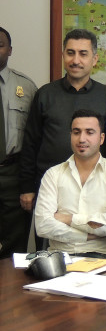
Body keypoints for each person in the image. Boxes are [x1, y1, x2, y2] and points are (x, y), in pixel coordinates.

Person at [20, 29, 106, 214]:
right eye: (70, 53)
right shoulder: (45, 94)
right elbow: (31, 143)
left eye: (83, 54)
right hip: (49, 187)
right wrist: (27, 187)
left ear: (94, 59)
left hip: (95, 188)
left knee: (91, 239)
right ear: (63, 55)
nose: (75, 60)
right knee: (49, 239)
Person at [34, 109, 106, 258]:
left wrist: (68, 218)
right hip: (60, 256)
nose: (82, 139)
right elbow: (43, 226)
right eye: (76, 132)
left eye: (90, 132)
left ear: (102, 138)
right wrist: (88, 235)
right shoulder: (53, 174)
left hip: (102, 256)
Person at [0, 27, 37, 258]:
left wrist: (27, 185)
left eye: (0, 45)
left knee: (15, 246)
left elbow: (33, 140)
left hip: (13, 173)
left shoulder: (27, 87)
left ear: (10, 50)